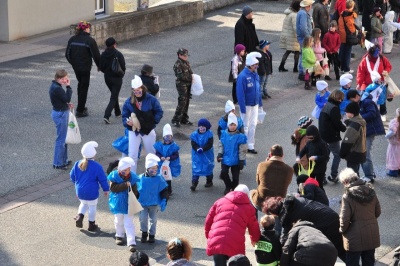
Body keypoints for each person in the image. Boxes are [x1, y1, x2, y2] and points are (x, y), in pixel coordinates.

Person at [262, 196, 346, 261]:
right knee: (346, 247)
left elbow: (285, 238)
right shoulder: (293, 201)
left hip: (328, 225)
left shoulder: (286, 216)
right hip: (331, 215)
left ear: (273, 213)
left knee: (341, 251)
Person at [205, 184, 261, 266]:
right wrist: (255, 240)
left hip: (217, 239)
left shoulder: (219, 201)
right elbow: (254, 227)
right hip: (235, 242)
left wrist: (209, 236)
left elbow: (208, 221)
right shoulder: (249, 208)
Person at [338, 168, 381, 266]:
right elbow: (378, 212)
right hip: (371, 233)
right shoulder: (371, 191)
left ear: (345, 182)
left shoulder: (347, 196)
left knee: (352, 263)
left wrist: (342, 230)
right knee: (369, 262)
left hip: (354, 238)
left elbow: (344, 219)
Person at [122, 75, 163, 172]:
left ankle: (152, 175)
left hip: (148, 130)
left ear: (142, 88)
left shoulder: (151, 99)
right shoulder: (128, 102)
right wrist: (128, 123)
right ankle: (132, 178)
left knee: (151, 154)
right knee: (132, 155)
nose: (137, 93)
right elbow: (124, 116)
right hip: (134, 131)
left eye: (138, 91)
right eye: (134, 91)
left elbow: (159, 112)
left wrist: (153, 122)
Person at [70, 141, 109, 231]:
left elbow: (72, 176)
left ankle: (80, 216)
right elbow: (102, 179)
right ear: (94, 154)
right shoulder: (97, 166)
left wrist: (77, 185)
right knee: (92, 206)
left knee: (83, 203)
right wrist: (106, 189)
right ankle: (91, 224)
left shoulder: (77, 164)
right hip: (92, 191)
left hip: (80, 190)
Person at [65, 21, 100, 118]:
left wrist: (73, 63)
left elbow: (67, 54)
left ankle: (81, 105)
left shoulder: (72, 39)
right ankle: (80, 110)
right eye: (88, 28)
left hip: (76, 67)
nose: (89, 29)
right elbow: (96, 55)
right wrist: (99, 65)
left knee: (80, 84)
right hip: (85, 67)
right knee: (84, 86)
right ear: (85, 29)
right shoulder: (90, 40)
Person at [107, 157, 139, 252]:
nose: (128, 171)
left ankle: (131, 242)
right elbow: (113, 188)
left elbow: (135, 190)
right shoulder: (114, 176)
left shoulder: (132, 177)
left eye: (129, 169)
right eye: (125, 170)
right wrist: (125, 185)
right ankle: (119, 235)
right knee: (118, 221)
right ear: (120, 169)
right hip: (117, 203)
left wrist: (135, 198)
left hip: (128, 203)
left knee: (129, 223)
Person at [250, 144, 293, 211]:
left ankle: (254, 217)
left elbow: (258, 182)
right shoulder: (289, 170)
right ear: (282, 155)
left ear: (270, 155)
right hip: (278, 204)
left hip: (261, 202)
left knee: (251, 192)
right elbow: (287, 184)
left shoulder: (262, 165)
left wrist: (266, 163)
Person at [358, 78, 386, 183]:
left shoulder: (367, 102)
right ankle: (370, 173)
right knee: (364, 153)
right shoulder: (364, 101)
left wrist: (359, 117)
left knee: (365, 153)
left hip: (369, 131)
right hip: (366, 130)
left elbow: (372, 113)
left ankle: (369, 175)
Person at [137, 153, 169, 244]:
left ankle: (152, 235)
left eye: (156, 168)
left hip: (154, 204)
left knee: (153, 220)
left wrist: (164, 200)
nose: (155, 171)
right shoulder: (140, 178)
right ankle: (144, 233)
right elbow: (136, 191)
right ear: (147, 168)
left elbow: (164, 190)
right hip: (142, 204)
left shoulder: (159, 178)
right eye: (152, 169)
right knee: (143, 218)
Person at [356, 44, 392, 120]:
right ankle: (365, 113)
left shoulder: (382, 58)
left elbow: (388, 66)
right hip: (366, 84)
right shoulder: (364, 61)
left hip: (380, 83)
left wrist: (386, 71)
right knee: (365, 99)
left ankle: (382, 113)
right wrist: (359, 83)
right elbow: (360, 73)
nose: (377, 55)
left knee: (381, 99)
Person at [236, 51, 262, 154]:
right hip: (246, 105)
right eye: (255, 65)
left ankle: (251, 145)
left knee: (253, 125)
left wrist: (260, 103)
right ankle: (244, 145)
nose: (257, 66)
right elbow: (240, 93)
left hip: (254, 104)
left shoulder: (255, 74)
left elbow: (258, 89)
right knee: (245, 126)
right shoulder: (242, 76)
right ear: (250, 65)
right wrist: (242, 108)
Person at [319, 89, 347, 183]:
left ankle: (321, 177)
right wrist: (344, 128)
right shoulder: (334, 108)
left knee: (325, 156)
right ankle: (333, 175)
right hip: (331, 136)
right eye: (341, 99)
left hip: (323, 135)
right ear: (338, 98)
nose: (341, 101)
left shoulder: (327, 105)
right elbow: (337, 123)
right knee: (337, 155)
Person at [217, 113, 247, 195]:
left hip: (236, 159)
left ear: (236, 125)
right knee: (223, 173)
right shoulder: (224, 134)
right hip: (225, 158)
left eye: (234, 125)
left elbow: (242, 150)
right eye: (231, 125)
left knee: (236, 177)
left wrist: (241, 160)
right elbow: (221, 145)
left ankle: (234, 188)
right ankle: (228, 186)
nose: (232, 126)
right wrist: (220, 154)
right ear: (228, 125)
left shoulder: (240, 137)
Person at [49, 69, 73, 170]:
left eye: (65, 78)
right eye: (62, 79)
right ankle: (58, 163)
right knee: (62, 139)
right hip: (61, 114)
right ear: (57, 78)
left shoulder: (54, 86)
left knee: (64, 138)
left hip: (59, 111)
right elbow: (67, 98)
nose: (64, 80)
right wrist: (68, 87)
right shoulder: (58, 89)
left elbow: (61, 100)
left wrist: (66, 105)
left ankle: (63, 160)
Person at [100, 37, 126, 124]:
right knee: (114, 97)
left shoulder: (103, 54)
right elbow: (123, 66)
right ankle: (107, 115)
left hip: (107, 78)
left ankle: (117, 112)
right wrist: (121, 74)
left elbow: (101, 67)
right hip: (116, 78)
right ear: (114, 44)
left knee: (114, 94)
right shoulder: (118, 54)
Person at [297, 125, 330, 189]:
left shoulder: (322, 144)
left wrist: (316, 157)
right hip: (311, 168)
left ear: (316, 135)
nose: (309, 139)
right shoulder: (309, 143)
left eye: (311, 138)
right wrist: (299, 157)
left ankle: (322, 197)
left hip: (320, 168)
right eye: (308, 138)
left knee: (319, 185)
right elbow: (303, 150)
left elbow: (326, 157)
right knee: (310, 183)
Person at [340, 102, 367, 176]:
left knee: (352, 174)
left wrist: (342, 154)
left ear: (352, 113)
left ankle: (355, 186)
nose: (345, 113)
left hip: (353, 153)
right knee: (355, 171)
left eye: (347, 112)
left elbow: (347, 142)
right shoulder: (360, 121)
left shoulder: (353, 126)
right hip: (360, 151)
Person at [154, 123, 181, 196]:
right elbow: (157, 153)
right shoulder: (160, 146)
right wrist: (160, 157)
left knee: (168, 178)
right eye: (166, 138)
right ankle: (162, 190)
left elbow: (176, 155)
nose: (167, 140)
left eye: (169, 138)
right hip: (161, 164)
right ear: (163, 138)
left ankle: (169, 190)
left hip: (170, 165)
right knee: (161, 177)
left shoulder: (174, 146)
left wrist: (170, 158)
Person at [190, 118, 214, 191]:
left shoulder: (209, 134)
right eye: (200, 127)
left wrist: (203, 148)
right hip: (197, 155)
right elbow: (193, 143)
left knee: (208, 167)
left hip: (207, 154)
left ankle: (209, 181)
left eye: (203, 127)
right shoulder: (194, 135)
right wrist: (197, 148)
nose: (201, 128)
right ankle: (194, 183)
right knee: (196, 168)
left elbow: (209, 144)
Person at [171, 48, 193, 127]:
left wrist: (193, 77)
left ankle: (184, 118)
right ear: (179, 55)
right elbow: (180, 76)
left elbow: (190, 72)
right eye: (184, 55)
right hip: (181, 84)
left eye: (186, 55)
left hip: (188, 84)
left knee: (187, 101)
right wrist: (191, 78)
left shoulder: (186, 62)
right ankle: (176, 119)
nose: (186, 57)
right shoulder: (178, 64)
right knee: (182, 101)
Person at [279, 0, 301, 73]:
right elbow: (295, 27)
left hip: (287, 35)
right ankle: (295, 68)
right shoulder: (294, 15)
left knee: (287, 51)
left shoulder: (288, 13)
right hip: (293, 37)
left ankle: (281, 66)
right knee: (297, 52)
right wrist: (299, 35)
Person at [338, 0, 358, 74]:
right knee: (348, 53)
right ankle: (346, 68)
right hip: (348, 36)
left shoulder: (342, 14)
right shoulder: (350, 15)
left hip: (342, 35)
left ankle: (342, 67)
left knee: (343, 52)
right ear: (352, 6)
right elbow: (351, 27)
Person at [296, 0, 314, 80]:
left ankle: (302, 72)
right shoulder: (303, 14)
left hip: (303, 37)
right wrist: (308, 36)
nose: (311, 7)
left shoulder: (301, 13)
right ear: (308, 6)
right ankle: (302, 72)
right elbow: (303, 27)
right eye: (310, 5)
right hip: (304, 37)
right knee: (304, 54)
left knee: (302, 53)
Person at [386, 108, 400, 177]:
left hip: (394, 143)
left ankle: (393, 171)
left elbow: (392, 132)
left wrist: (386, 136)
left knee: (393, 157)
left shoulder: (395, 122)